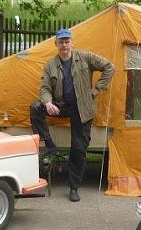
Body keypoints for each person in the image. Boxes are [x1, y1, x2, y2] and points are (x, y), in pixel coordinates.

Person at [30, 28, 115, 202]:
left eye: (67, 42)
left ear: (72, 43)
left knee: (78, 148)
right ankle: (50, 145)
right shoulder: (50, 65)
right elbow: (44, 88)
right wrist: (48, 103)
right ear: (56, 44)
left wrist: (97, 89)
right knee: (36, 108)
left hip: (82, 108)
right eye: (61, 42)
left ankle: (74, 187)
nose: (64, 45)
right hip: (61, 105)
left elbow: (109, 67)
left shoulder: (85, 57)